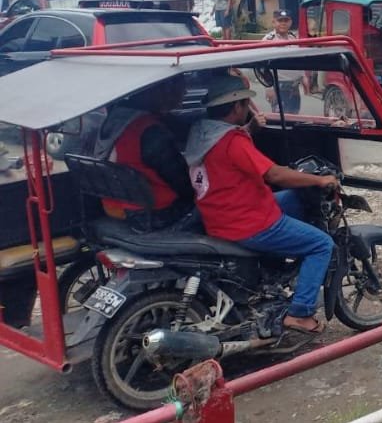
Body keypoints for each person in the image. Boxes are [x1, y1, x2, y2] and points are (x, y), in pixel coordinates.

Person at [184, 74, 338, 334]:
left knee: (291, 198)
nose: (247, 108)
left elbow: (228, 155)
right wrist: (319, 180)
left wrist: (249, 130)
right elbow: (274, 175)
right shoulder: (232, 141)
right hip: (250, 222)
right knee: (321, 244)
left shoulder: (202, 133)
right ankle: (300, 312)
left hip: (220, 214)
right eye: (245, 104)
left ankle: (275, 268)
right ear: (236, 108)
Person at [91, 76, 197, 232]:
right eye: (181, 85)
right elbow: (183, 183)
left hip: (114, 207)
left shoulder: (117, 118)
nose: (185, 92)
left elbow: (177, 126)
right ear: (162, 89)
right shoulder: (149, 132)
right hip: (154, 213)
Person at [261, 10, 311, 114]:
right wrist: (268, 87)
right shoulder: (268, 40)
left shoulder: (294, 38)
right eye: (280, 21)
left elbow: (298, 60)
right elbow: (262, 65)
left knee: (294, 115)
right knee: (280, 117)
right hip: (278, 85)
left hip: (294, 86)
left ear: (290, 22)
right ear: (274, 22)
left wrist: (304, 77)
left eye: (286, 20)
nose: (283, 23)